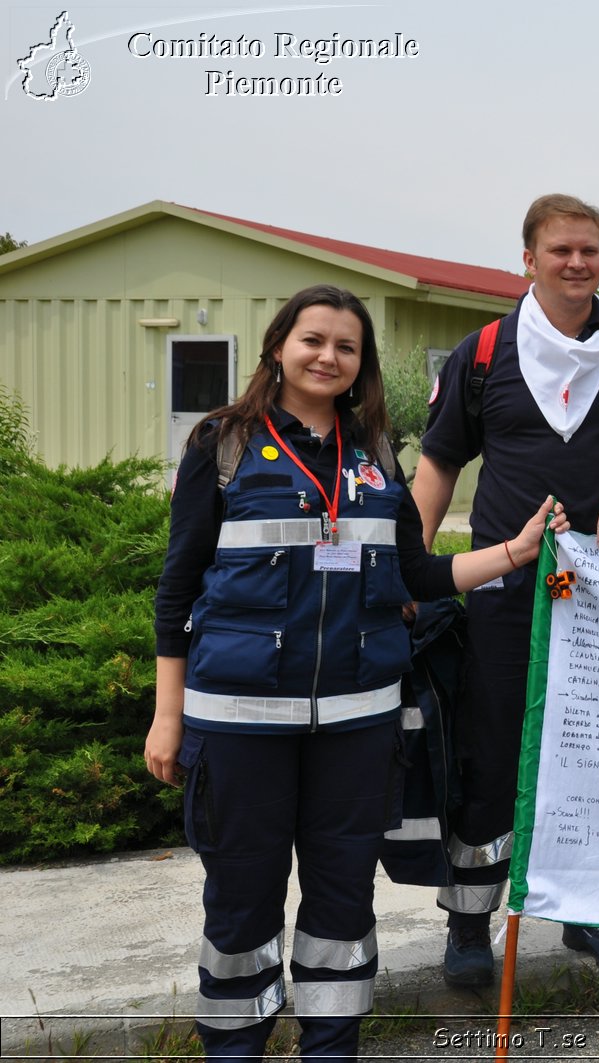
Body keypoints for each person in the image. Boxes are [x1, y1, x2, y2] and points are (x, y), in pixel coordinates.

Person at [146, 284, 567, 1061]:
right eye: (313, 340)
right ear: (279, 345)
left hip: (358, 730)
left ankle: (331, 1047)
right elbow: (177, 590)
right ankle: (232, 1050)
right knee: (241, 909)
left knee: (343, 904)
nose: (328, 356)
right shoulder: (222, 444)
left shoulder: (375, 456)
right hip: (239, 730)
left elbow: (416, 574)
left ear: (360, 364)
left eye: (346, 346)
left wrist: (517, 548)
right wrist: (167, 714)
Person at [410, 194, 599, 985]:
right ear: (527, 259)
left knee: (592, 753)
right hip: (503, 590)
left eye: (590, 251)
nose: (577, 264)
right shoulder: (486, 350)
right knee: (490, 751)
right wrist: (414, 570)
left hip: (595, 593)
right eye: (561, 251)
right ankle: (470, 921)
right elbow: (438, 465)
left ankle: (588, 910)